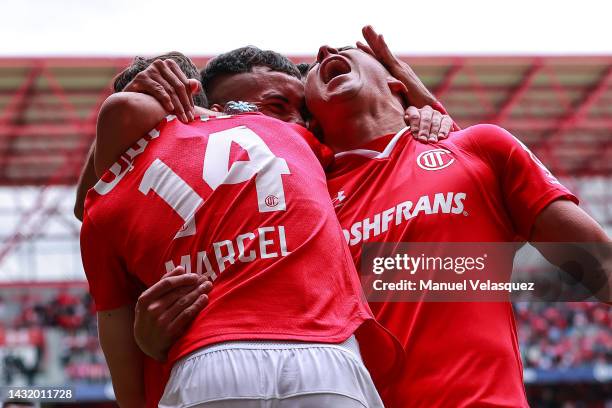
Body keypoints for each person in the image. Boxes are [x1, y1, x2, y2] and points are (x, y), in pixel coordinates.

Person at [128, 27, 611, 407]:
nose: (322, 51)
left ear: (397, 82)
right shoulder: (300, 193)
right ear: (309, 116)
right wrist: (152, 341)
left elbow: (597, 269)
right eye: (315, 66)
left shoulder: (479, 149)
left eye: (339, 51)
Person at [79, 51, 415, 408]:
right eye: (276, 105)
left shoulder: (103, 210)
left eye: (308, 117)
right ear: (217, 109)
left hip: (206, 370)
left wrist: (425, 114)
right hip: (326, 357)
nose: (300, 123)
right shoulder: (296, 144)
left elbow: (104, 163)